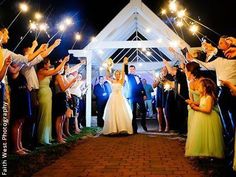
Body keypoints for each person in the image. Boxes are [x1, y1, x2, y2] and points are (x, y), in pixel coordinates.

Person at [185, 78, 224, 159]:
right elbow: (200, 103)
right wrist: (191, 102)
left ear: (205, 88)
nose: (198, 89)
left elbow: (208, 109)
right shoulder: (203, 96)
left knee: (208, 136)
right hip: (202, 118)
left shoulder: (209, 97)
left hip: (209, 119)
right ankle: (202, 151)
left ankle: (209, 153)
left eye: (199, 87)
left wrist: (196, 108)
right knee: (201, 134)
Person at [37, 56, 69, 145]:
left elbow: (56, 71)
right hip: (43, 94)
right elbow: (55, 71)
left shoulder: (46, 72)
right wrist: (64, 61)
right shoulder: (41, 72)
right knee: (44, 115)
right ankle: (42, 138)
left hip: (48, 95)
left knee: (48, 116)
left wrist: (61, 64)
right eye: (48, 63)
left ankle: (47, 137)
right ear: (44, 64)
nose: (50, 64)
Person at [102, 57, 133, 135]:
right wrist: (108, 67)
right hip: (112, 98)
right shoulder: (112, 80)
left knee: (121, 112)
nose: (118, 75)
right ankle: (113, 129)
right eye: (116, 74)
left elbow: (123, 72)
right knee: (112, 113)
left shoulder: (121, 81)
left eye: (118, 74)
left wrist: (123, 63)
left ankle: (122, 129)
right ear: (114, 75)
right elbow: (107, 76)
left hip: (120, 98)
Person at [124, 60, 147, 133]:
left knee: (144, 111)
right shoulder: (128, 76)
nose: (131, 70)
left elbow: (141, 86)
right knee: (133, 112)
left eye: (133, 69)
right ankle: (134, 128)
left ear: (135, 70)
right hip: (132, 96)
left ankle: (143, 124)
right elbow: (125, 71)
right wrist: (126, 64)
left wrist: (144, 94)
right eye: (130, 69)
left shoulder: (138, 76)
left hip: (140, 96)